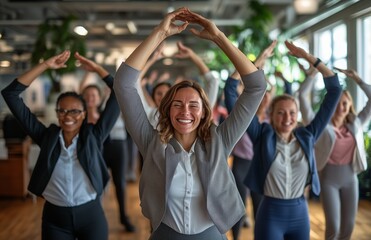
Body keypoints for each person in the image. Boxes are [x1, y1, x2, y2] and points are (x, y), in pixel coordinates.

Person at [113, 7, 267, 239]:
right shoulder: (151, 142)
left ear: (205, 112)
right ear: (167, 109)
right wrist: (160, 33)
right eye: (177, 104)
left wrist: (218, 37)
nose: (185, 111)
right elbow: (123, 83)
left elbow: (256, 86)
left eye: (194, 105)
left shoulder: (220, 140)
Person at [1, 50, 120, 240]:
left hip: (91, 215)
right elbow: (10, 94)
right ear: (57, 113)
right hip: (55, 219)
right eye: (62, 111)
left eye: (74, 111)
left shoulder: (94, 135)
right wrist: (45, 65)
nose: (68, 116)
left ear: (83, 114)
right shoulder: (46, 136)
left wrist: (97, 69)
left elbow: (118, 91)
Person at [241, 41, 342, 240]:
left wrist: (309, 58)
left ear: (297, 115)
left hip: (300, 214)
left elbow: (335, 90)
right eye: (281, 113)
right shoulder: (261, 134)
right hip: (270, 213)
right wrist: (259, 62)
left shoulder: (308, 134)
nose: (287, 118)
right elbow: (235, 95)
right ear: (271, 114)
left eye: (292, 113)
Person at [299, 66, 371, 240]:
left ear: (350, 105)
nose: (341, 106)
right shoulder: (320, 125)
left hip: (350, 178)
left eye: (345, 102)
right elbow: (302, 98)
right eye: (337, 102)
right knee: (333, 228)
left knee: (348, 227)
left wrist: (359, 80)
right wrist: (311, 76)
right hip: (328, 179)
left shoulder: (356, 123)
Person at [75, 52, 136, 232]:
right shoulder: (79, 118)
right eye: (87, 95)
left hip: (116, 148)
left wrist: (96, 68)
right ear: (83, 98)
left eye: (94, 94)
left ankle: (124, 218)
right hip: (96, 150)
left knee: (120, 184)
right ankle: (95, 218)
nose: (91, 97)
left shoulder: (106, 114)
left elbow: (116, 90)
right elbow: (82, 89)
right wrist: (89, 72)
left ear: (100, 97)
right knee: (96, 184)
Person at [224, 39, 277, 240]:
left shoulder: (274, 119)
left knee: (261, 211)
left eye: (266, 94)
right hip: (242, 164)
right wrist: (259, 60)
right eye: (260, 94)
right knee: (238, 208)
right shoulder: (241, 115)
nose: (263, 97)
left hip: (263, 165)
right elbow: (230, 88)